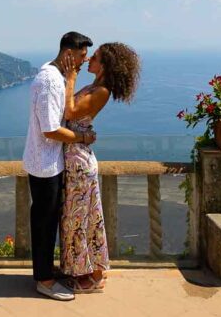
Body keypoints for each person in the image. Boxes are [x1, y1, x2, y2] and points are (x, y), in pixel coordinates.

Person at [59, 42, 140, 293]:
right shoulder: (93, 87)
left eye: (94, 57)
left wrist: (70, 77)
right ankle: (86, 270)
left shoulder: (102, 90)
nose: (89, 60)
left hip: (79, 161)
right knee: (81, 218)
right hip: (75, 157)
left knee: (84, 219)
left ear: (105, 66)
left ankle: (94, 275)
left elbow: (70, 112)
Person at [22, 31, 97, 301]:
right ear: (68, 54)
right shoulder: (50, 81)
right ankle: (44, 280)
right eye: (80, 57)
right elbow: (51, 129)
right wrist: (83, 137)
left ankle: (45, 271)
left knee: (49, 219)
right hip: (45, 164)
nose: (82, 63)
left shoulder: (54, 75)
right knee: (44, 221)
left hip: (47, 161)